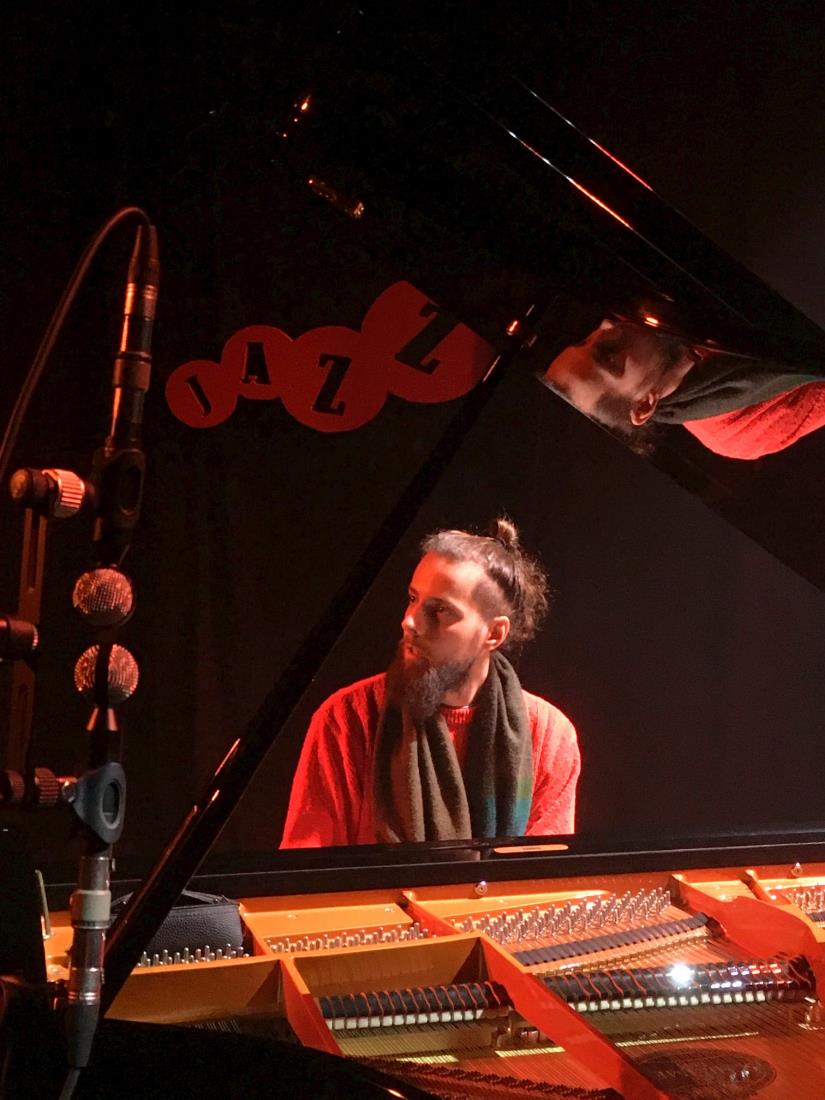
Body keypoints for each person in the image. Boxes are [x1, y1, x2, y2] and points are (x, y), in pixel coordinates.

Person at [280, 518, 580, 847]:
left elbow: (540, 871)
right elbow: (306, 866)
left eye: (440, 610)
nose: (409, 622)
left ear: (494, 633)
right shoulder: (346, 719)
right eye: (413, 598)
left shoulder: (549, 734)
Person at [541, 317, 825, 459]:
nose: (607, 325)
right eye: (608, 356)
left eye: (586, 340)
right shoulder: (735, 432)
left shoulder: (667, 303)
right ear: (644, 405)